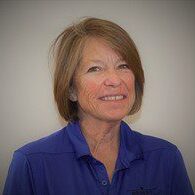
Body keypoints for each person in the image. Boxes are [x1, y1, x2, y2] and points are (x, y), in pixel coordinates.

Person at [3, 17, 193, 195]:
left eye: (123, 66)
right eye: (95, 68)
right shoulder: (31, 163)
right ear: (71, 90)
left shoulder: (166, 157)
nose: (115, 80)